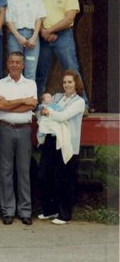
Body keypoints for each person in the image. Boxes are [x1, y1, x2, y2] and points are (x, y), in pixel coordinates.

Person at [0, 52, 38, 225]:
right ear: (7, 64)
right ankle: (8, 211)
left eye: (18, 62)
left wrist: (9, 105)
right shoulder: (0, 84)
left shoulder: (30, 83)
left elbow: (32, 105)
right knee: (5, 171)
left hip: (24, 130)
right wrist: (22, 101)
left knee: (24, 170)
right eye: (11, 62)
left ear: (23, 65)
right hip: (5, 129)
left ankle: (25, 211)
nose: (14, 65)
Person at [37, 70, 85, 225]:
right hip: (51, 140)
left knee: (64, 179)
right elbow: (41, 110)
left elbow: (63, 116)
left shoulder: (79, 102)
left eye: (70, 82)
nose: (66, 85)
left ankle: (65, 215)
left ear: (76, 84)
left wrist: (48, 112)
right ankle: (50, 210)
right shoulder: (57, 97)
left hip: (67, 143)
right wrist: (45, 112)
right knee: (44, 175)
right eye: (64, 82)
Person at [36, 0, 87, 101]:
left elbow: (69, 18)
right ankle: (35, 105)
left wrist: (49, 31)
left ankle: (83, 104)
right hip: (44, 38)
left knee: (72, 71)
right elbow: (37, 17)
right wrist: (43, 32)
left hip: (63, 35)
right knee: (41, 73)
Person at [6, 0, 47, 81]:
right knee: (15, 70)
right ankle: (15, 98)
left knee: (30, 72)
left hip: (32, 36)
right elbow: (9, 21)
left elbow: (39, 18)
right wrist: (19, 38)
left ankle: (30, 99)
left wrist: (34, 37)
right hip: (15, 37)